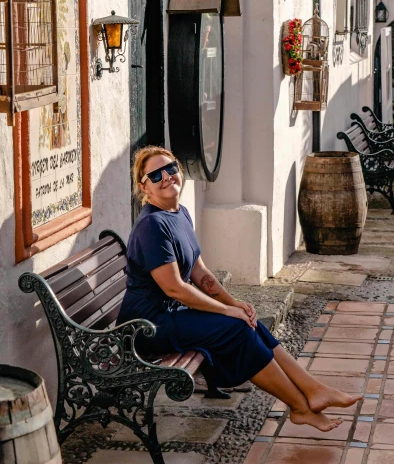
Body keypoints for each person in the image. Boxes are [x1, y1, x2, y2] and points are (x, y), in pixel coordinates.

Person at [117, 145, 362, 433]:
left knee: (249, 321)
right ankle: (298, 406)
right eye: (156, 174)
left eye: (171, 168)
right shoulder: (152, 226)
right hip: (145, 328)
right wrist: (226, 310)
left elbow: (200, 273)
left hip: (169, 318)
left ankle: (313, 388)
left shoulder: (179, 213)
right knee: (234, 327)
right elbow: (176, 289)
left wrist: (236, 303)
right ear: (142, 185)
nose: (166, 177)